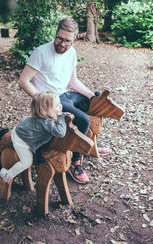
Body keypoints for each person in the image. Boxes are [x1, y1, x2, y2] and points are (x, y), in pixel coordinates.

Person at [18, 17, 111, 184]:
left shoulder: (72, 53)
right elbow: (23, 81)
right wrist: (43, 101)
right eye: (59, 38)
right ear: (55, 33)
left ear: (74, 40)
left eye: (67, 41)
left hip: (66, 94)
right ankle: (75, 164)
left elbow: (73, 82)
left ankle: (90, 143)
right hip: (52, 99)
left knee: (94, 102)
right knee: (82, 119)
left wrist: (91, 96)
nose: (62, 43)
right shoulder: (40, 52)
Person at [0, 91, 67, 184]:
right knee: (27, 162)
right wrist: (62, 117)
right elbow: (60, 132)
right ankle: (8, 174)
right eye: (57, 106)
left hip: (23, 129)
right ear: (46, 110)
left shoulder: (46, 117)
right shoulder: (46, 122)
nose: (61, 106)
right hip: (21, 139)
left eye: (60, 104)